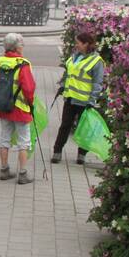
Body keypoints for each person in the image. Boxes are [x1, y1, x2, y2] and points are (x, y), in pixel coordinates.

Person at [52, 32, 105, 165]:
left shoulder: (96, 61)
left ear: (86, 44)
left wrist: (92, 101)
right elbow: (69, 74)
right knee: (65, 126)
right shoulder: (74, 57)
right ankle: (57, 152)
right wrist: (63, 86)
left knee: (84, 129)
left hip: (84, 101)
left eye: (78, 43)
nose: (76, 45)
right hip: (70, 98)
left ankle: (81, 155)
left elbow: (97, 83)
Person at [0, 33, 36, 185]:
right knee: (24, 141)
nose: (23, 47)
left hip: (3, 107)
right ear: (17, 47)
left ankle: (4, 170)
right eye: (22, 45)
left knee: (5, 138)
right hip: (20, 108)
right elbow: (29, 88)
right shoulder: (23, 64)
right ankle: (22, 174)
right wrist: (31, 104)